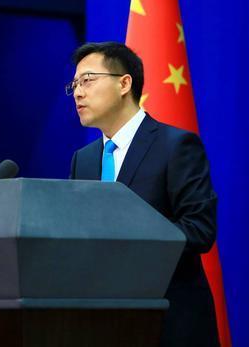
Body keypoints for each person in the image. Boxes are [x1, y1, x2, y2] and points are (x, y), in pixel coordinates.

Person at [68, 41, 219, 347]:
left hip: (169, 319)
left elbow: (199, 229)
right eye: (74, 85)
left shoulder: (175, 146)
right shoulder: (83, 159)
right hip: (103, 321)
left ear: (124, 84)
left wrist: (126, 238)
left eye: (87, 80)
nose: (78, 93)